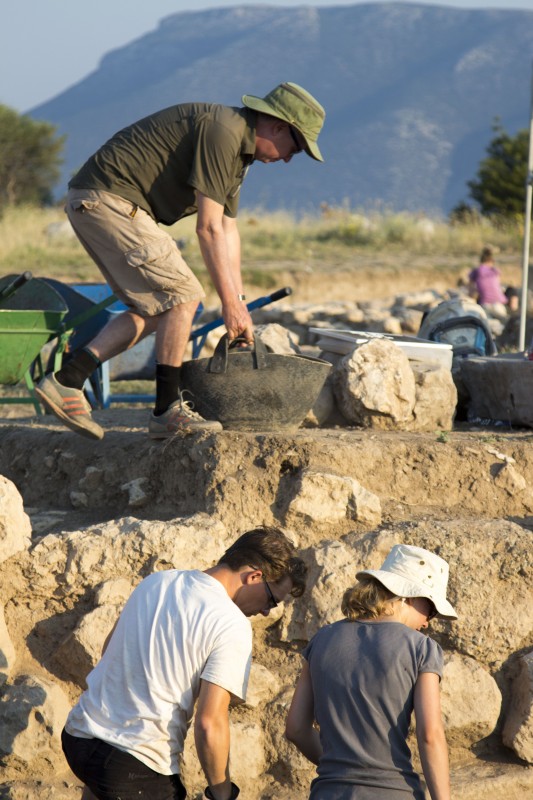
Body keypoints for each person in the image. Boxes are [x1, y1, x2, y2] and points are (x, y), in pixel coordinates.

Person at [35, 82, 325, 441]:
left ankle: (68, 379)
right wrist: (230, 306)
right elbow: (207, 229)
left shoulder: (239, 154)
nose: (288, 159)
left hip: (100, 202)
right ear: (279, 127)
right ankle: (166, 411)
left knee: (158, 308)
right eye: (294, 149)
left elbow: (227, 229)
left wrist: (239, 303)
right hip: (107, 200)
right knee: (184, 295)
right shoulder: (224, 132)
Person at [61, 526, 308, 800]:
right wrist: (222, 793)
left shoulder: (158, 581)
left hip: (79, 737)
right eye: (271, 601)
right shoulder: (231, 623)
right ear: (254, 577)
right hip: (136, 764)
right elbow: (209, 723)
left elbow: (109, 650)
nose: (265, 611)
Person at [285, 543, 457, 800]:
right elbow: (430, 735)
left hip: (329, 791)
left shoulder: (321, 639)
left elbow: (296, 728)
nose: (427, 622)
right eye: (430, 610)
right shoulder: (421, 648)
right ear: (408, 596)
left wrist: (341, 767)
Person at [468, 246, 509, 321]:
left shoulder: (476, 271)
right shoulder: (495, 271)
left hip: (485, 303)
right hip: (498, 303)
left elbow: (471, 290)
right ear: (492, 261)